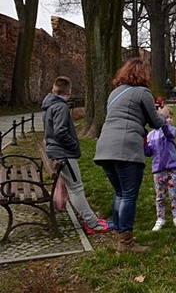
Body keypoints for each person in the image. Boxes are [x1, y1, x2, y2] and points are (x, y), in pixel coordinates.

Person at [95, 58, 165, 253]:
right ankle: (125, 242)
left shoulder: (114, 93)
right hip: (126, 148)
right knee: (128, 195)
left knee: (119, 192)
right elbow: (156, 122)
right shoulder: (143, 92)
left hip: (104, 147)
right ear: (143, 74)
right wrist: (162, 115)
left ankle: (119, 231)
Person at [42, 76, 113, 235]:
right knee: (76, 189)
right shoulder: (60, 108)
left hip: (57, 151)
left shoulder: (49, 106)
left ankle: (90, 219)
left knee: (74, 188)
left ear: (54, 89)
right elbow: (60, 131)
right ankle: (92, 223)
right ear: (69, 92)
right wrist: (73, 145)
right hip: (64, 153)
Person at [144, 106, 176, 231]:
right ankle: (160, 218)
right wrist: (144, 142)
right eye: (166, 117)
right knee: (160, 195)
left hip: (172, 167)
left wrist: (163, 123)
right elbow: (148, 152)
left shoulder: (171, 129)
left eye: (171, 117)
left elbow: (169, 134)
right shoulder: (151, 135)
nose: (169, 120)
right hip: (158, 169)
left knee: (173, 194)